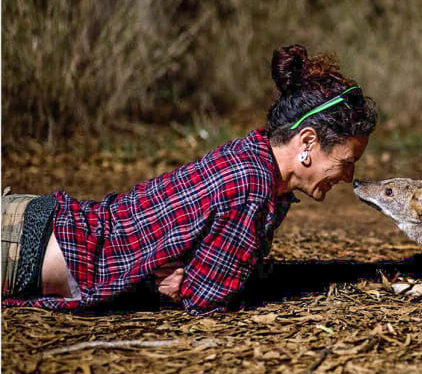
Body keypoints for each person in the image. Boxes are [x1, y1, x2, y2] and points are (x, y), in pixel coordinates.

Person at [1, 44, 377, 315]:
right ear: (307, 141)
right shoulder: (252, 188)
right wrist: (169, 280)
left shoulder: (253, 158)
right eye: (347, 161)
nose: (349, 176)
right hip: (20, 252)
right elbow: (204, 297)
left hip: (35, 227)